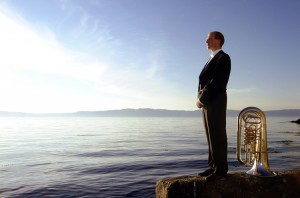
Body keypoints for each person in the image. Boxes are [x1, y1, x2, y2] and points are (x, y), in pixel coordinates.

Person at [196, 31, 231, 181]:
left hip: (215, 100)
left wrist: (201, 99)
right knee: (210, 134)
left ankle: (221, 169)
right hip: (208, 102)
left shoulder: (223, 57)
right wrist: (201, 99)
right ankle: (213, 166)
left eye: (209, 39)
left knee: (217, 133)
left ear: (218, 40)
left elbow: (217, 82)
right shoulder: (211, 59)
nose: (206, 42)